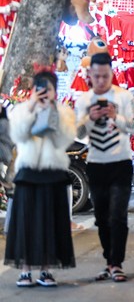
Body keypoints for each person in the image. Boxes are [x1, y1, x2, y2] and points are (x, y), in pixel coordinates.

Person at [5, 71, 76, 287]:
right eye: (40, 89)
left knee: (51, 222)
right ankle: (25, 270)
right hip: (28, 173)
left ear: (55, 91)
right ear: (33, 89)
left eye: (49, 89)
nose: (44, 93)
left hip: (53, 172)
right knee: (26, 222)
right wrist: (32, 107)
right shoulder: (21, 110)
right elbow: (18, 135)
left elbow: (65, 140)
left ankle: (46, 270)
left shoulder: (63, 112)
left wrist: (52, 111)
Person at [75, 53, 134, 283]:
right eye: (97, 76)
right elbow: (78, 134)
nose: (101, 81)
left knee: (118, 215)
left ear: (111, 74)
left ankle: (116, 263)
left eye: (105, 76)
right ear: (90, 75)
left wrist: (117, 117)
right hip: (96, 165)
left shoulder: (124, 97)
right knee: (101, 217)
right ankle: (108, 261)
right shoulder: (83, 101)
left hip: (121, 163)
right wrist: (90, 119)